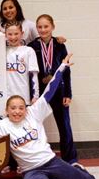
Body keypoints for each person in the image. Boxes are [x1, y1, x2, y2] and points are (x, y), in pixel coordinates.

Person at [0, 54, 98, 179]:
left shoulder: (34, 113)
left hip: (51, 161)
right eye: (13, 108)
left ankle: (74, 169)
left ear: (26, 109)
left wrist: (62, 67)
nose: (17, 111)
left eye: (21, 108)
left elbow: (50, 91)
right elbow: (2, 151)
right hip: (31, 170)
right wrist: (5, 168)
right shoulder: (1, 126)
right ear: (7, 110)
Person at [28, 14, 78, 164]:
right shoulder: (32, 47)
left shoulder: (60, 45)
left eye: (46, 26)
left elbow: (66, 70)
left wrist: (68, 93)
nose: (43, 30)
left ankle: (70, 159)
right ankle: (35, 159)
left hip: (58, 91)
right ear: (36, 28)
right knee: (33, 126)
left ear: (52, 27)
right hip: (39, 92)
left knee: (64, 126)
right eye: (40, 27)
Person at [0, 0, 66, 45]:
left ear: (17, 8)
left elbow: (43, 38)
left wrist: (56, 39)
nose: (8, 11)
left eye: (11, 7)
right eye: (5, 9)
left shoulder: (29, 25)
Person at [5, 23, 39, 105]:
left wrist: (35, 96)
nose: (13, 37)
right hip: (6, 98)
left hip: (24, 97)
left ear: (22, 34)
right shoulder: (3, 50)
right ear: (5, 35)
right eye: (10, 34)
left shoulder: (28, 51)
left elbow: (33, 75)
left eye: (16, 34)